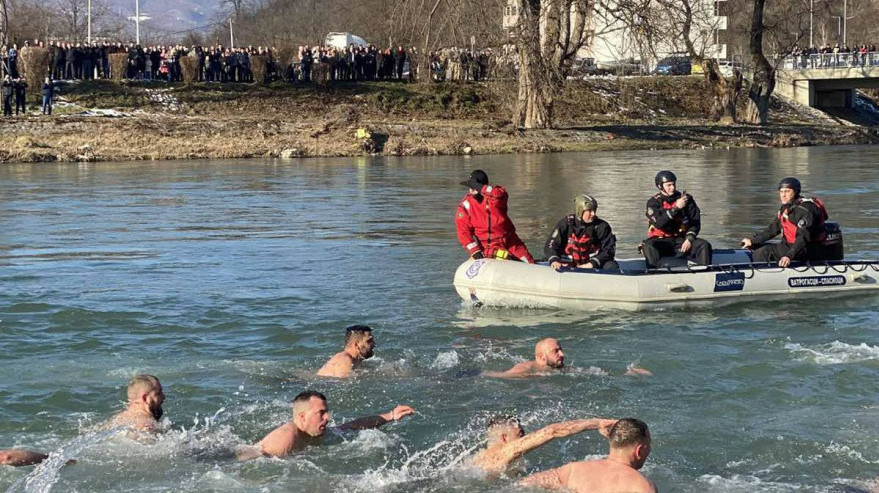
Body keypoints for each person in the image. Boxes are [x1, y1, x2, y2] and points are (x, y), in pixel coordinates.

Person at [1, 374, 164, 467]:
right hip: (99, 458)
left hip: (88, 447)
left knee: (52, 457)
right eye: (159, 393)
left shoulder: (120, 416)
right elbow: (153, 454)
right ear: (145, 398)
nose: (163, 397)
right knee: (59, 460)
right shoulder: (146, 423)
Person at [237, 390, 415, 459]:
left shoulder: (314, 431)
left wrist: (391, 415)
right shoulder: (284, 441)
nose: (328, 418)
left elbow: (352, 426)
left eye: (327, 412)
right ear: (302, 416)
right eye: (321, 413)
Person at [518, 418, 656, 493]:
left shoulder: (574, 470)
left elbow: (524, 483)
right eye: (649, 442)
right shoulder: (641, 486)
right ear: (640, 450)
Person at [471, 415, 618, 476]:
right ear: (504, 438)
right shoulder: (505, 451)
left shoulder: (480, 457)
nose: (526, 437)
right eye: (521, 434)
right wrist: (597, 423)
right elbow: (552, 431)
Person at [741, 177, 836, 266]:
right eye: (781, 191)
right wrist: (753, 241)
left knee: (763, 252)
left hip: (808, 249)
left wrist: (788, 256)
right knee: (758, 247)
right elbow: (773, 229)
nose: (783, 195)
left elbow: (803, 238)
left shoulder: (806, 209)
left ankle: (764, 279)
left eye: (787, 191)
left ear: (796, 192)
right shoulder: (787, 207)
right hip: (789, 245)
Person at [455, 169, 535, 263]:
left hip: (512, 242)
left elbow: (499, 194)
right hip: (489, 247)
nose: (472, 189)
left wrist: (481, 188)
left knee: (529, 264)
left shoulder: (496, 197)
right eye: (470, 186)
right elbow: (463, 233)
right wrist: (474, 250)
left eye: (475, 186)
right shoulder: (465, 206)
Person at [642, 170, 712, 268]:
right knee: (648, 245)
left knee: (704, 245)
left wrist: (689, 239)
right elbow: (659, 223)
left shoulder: (686, 200)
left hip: (681, 240)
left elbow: (695, 222)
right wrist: (676, 208)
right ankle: (654, 272)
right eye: (669, 185)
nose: (673, 188)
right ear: (660, 186)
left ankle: (704, 272)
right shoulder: (653, 203)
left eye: (674, 184)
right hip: (661, 241)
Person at [484, 338, 651, 378]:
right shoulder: (525, 370)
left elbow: (593, 372)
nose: (562, 354)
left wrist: (626, 372)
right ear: (541, 357)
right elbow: (500, 377)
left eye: (561, 350)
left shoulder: (563, 369)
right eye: (556, 351)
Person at [545, 194, 619, 271]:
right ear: (580, 211)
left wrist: (592, 263)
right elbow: (551, 245)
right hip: (567, 264)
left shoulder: (602, 226)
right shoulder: (566, 224)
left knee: (611, 266)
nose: (593, 214)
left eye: (594, 210)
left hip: (593, 264)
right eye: (589, 211)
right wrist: (554, 260)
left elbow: (609, 249)